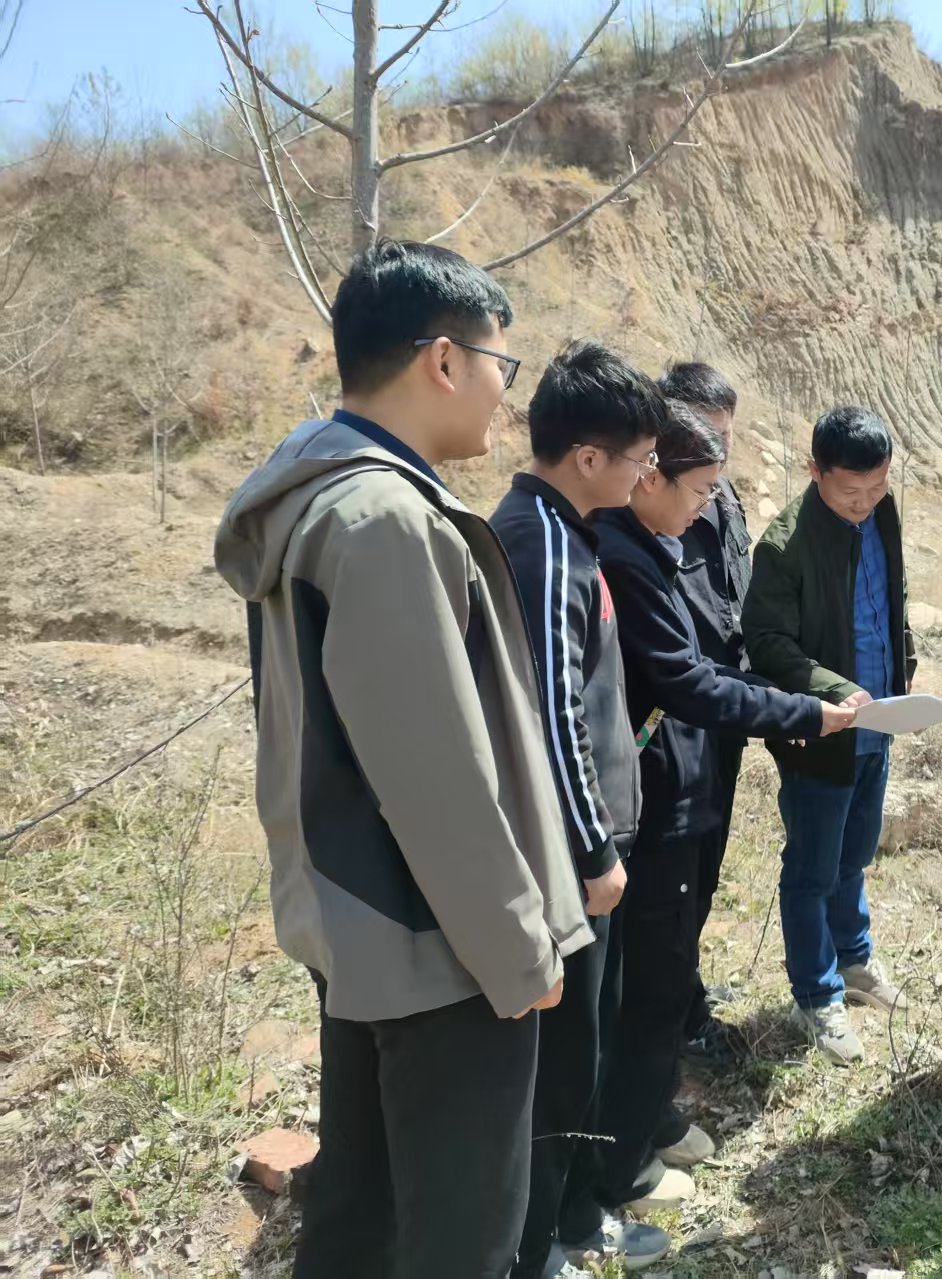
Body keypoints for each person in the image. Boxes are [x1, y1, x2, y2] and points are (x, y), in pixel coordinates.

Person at [213, 239, 585, 1278]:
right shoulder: (383, 518)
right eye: (501, 363)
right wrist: (520, 950)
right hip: (445, 949)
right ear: (443, 360)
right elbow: (437, 778)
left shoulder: (318, 496)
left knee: (363, 1216)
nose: (505, 391)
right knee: (462, 1237)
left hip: (365, 923)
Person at [595, 400, 856, 1203]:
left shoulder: (652, 544)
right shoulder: (624, 556)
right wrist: (803, 712)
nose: (710, 506)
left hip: (680, 783)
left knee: (663, 969)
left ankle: (649, 1115)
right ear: (650, 477)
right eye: (701, 489)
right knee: (650, 983)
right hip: (648, 800)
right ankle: (624, 1160)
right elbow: (686, 679)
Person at [489, 339, 672, 1277]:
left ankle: (571, 1220)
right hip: (565, 860)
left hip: (578, 848)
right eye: (639, 458)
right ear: (588, 457)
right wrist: (595, 849)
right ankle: (538, 1249)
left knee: (583, 1047)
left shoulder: (556, 530)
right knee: (563, 1060)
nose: (647, 474)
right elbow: (550, 713)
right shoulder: (545, 546)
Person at [743, 406, 917, 1066]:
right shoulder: (784, 546)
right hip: (822, 731)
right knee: (812, 868)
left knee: (855, 854)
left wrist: (904, 669)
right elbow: (766, 642)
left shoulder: (883, 514)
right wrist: (834, 688)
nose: (864, 502)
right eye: (850, 491)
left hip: (879, 723)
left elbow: (891, 602)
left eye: (877, 486)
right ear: (814, 470)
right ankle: (816, 995)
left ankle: (855, 960)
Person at [656, 361, 752, 1066]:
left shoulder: (723, 497)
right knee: (674, 875)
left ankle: (683, 987)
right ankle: (676, 1016)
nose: (719, 450)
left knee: (708, 865)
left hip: (728, 715)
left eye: (727, 435)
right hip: (677, 720)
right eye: (706, 435)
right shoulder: (653, 512)